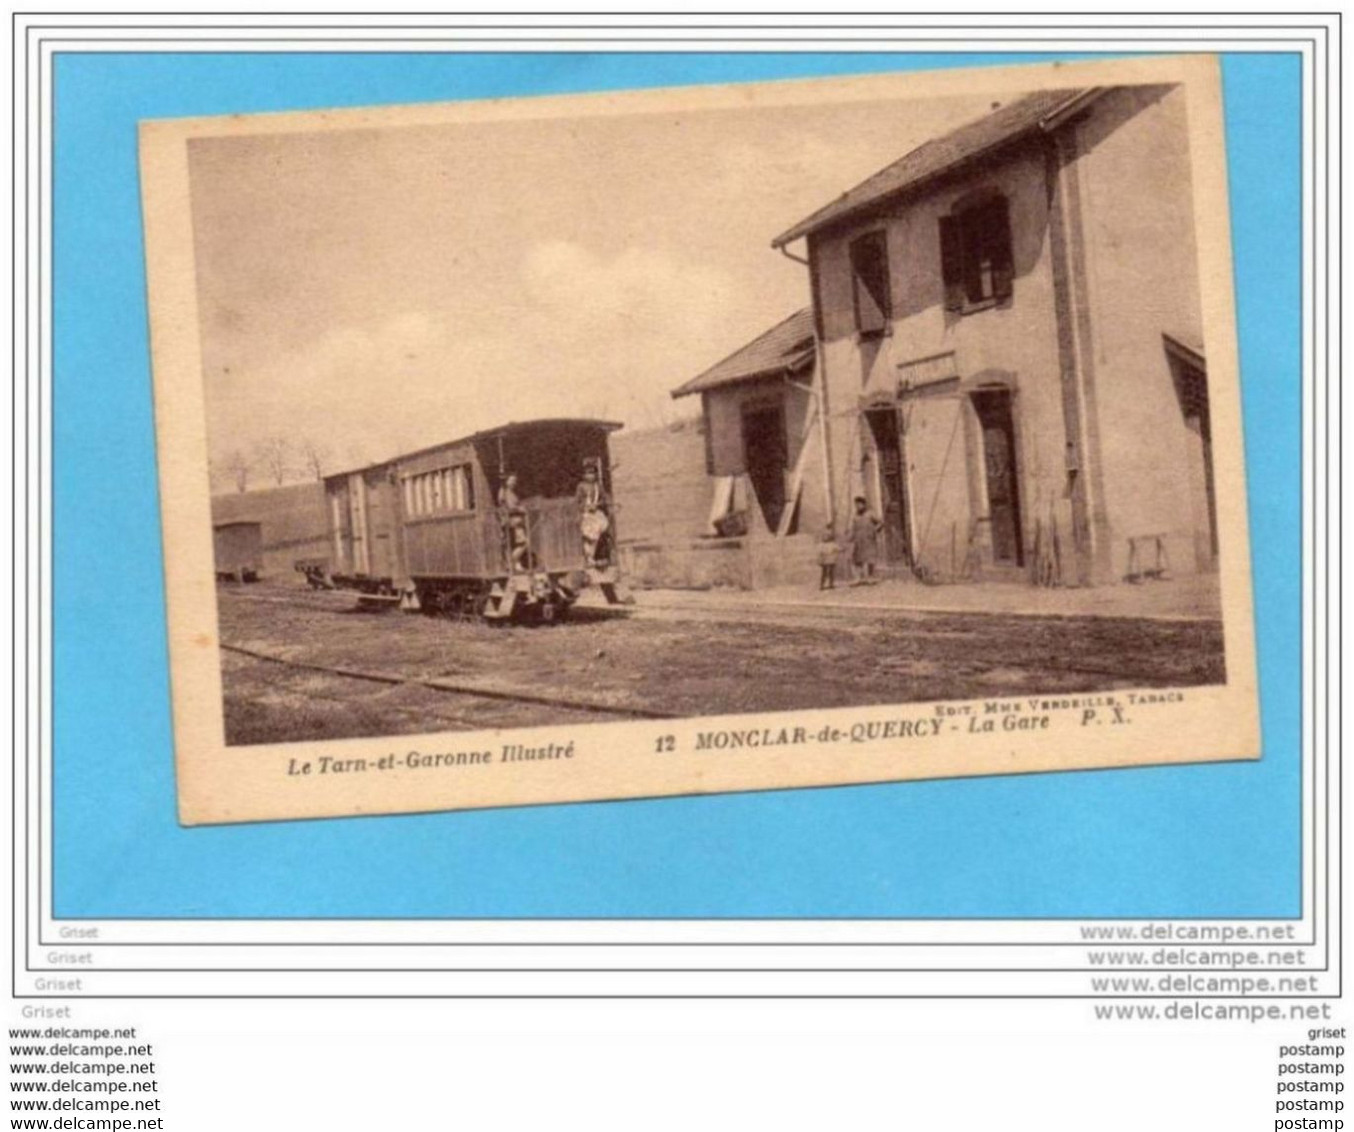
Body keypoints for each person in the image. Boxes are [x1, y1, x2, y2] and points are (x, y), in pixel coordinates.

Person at [575, 462, 611, 567]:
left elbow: (603, 499)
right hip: (586, 514)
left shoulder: (598, 486)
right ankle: (588, 558)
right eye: (587, 473)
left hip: (596, 513)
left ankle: (599, 557)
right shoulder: (581, 486)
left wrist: (598, 505)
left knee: (601, 530)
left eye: (592, 473)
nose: (590, 475)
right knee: (588, 536)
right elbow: (578, 501)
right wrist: (584, 508)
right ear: (583, 475)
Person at [848, 496, 882, 585]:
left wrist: (875, 530)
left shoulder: (870, 514)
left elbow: (880, 522)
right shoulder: (855, 516)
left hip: (869, 539)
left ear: (864, 504)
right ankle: (858, 578)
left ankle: (870, 577)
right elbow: (853, 528)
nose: (858, 506)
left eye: (860, 504)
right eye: (856, 505)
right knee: (858, 559)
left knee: (870, 559)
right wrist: (851, 537)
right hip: (858, 540)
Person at [817, 522, 840, 591]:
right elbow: (837, 549)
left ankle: (823, 585)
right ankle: (830, 584)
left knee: (825, 572)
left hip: (825, 560)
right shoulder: (832, 544)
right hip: (830, 560)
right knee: (830, 572)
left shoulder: (823, 545)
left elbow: (820, 552)